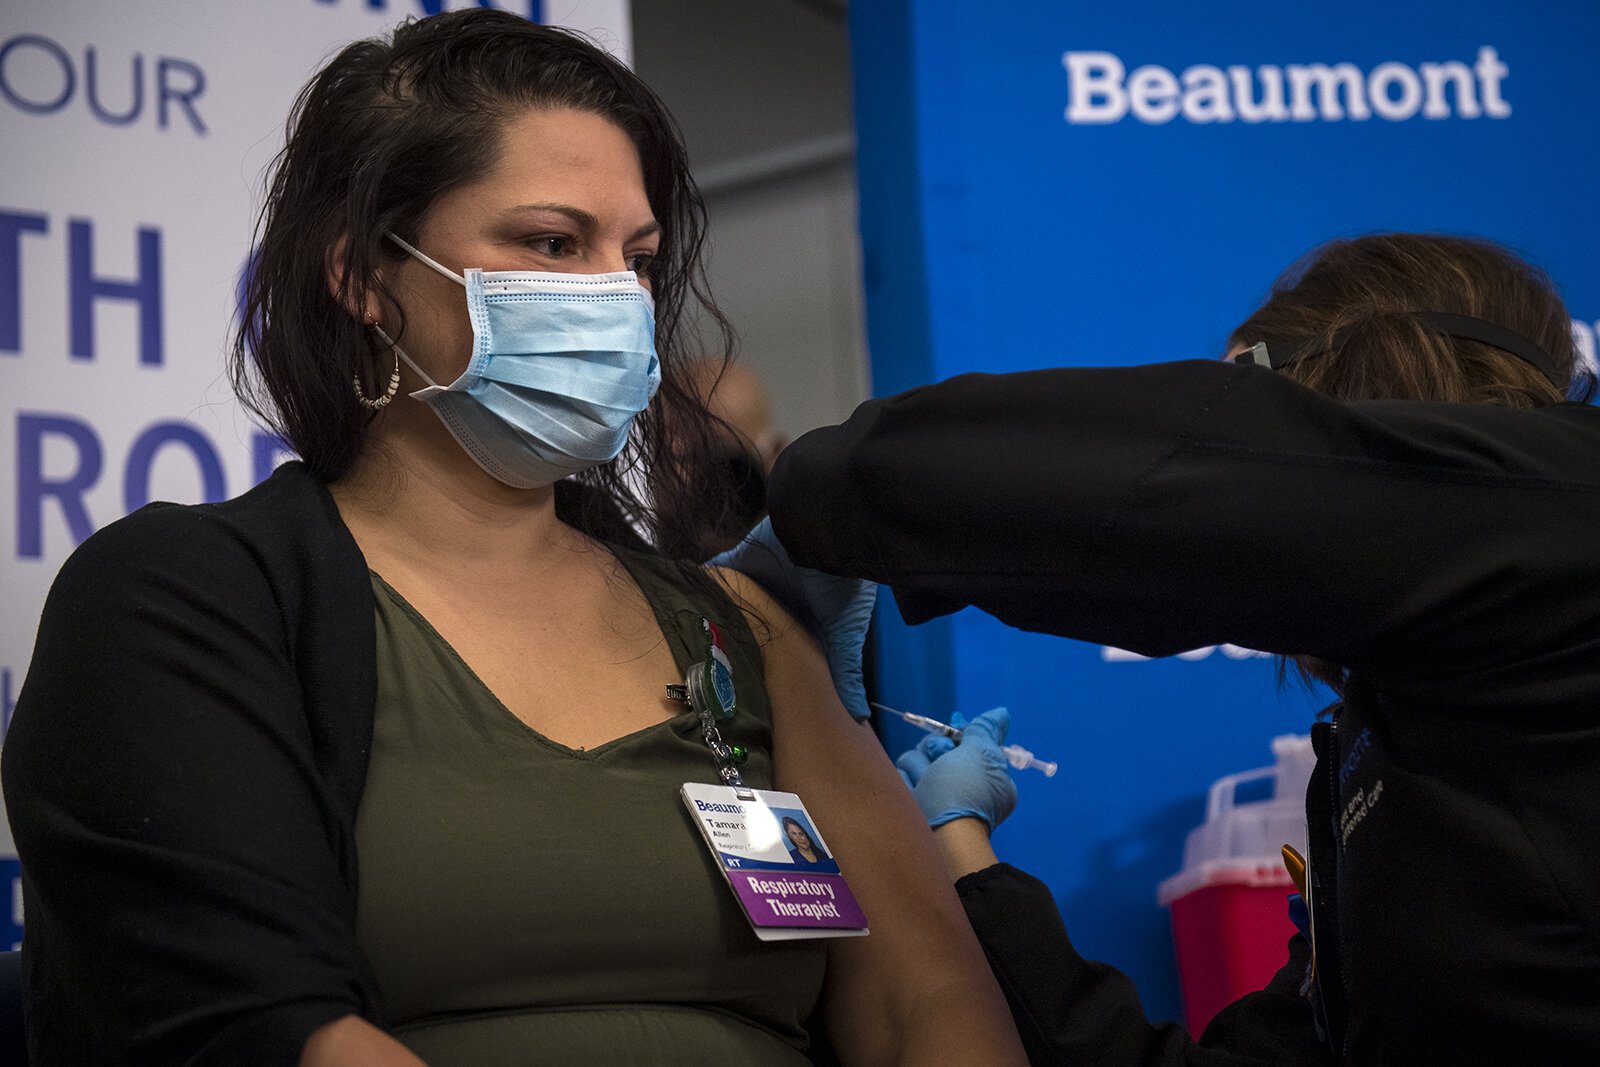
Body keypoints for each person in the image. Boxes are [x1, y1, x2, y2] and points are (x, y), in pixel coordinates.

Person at [1, 12, 1025, 1065]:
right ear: (361, 276)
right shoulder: (187, 596)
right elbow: (252, 1027)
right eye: (550, 242)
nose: (616, 299)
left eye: (635, 257)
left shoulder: (740, 631)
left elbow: (927, 1006)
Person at [765, 233, 1600, 1062]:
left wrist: (825, 500)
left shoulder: (1567, 512)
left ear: (1365, 376)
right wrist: (962, 853)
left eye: (1254, 396)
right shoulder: (1397, 742)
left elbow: (1174, 486)